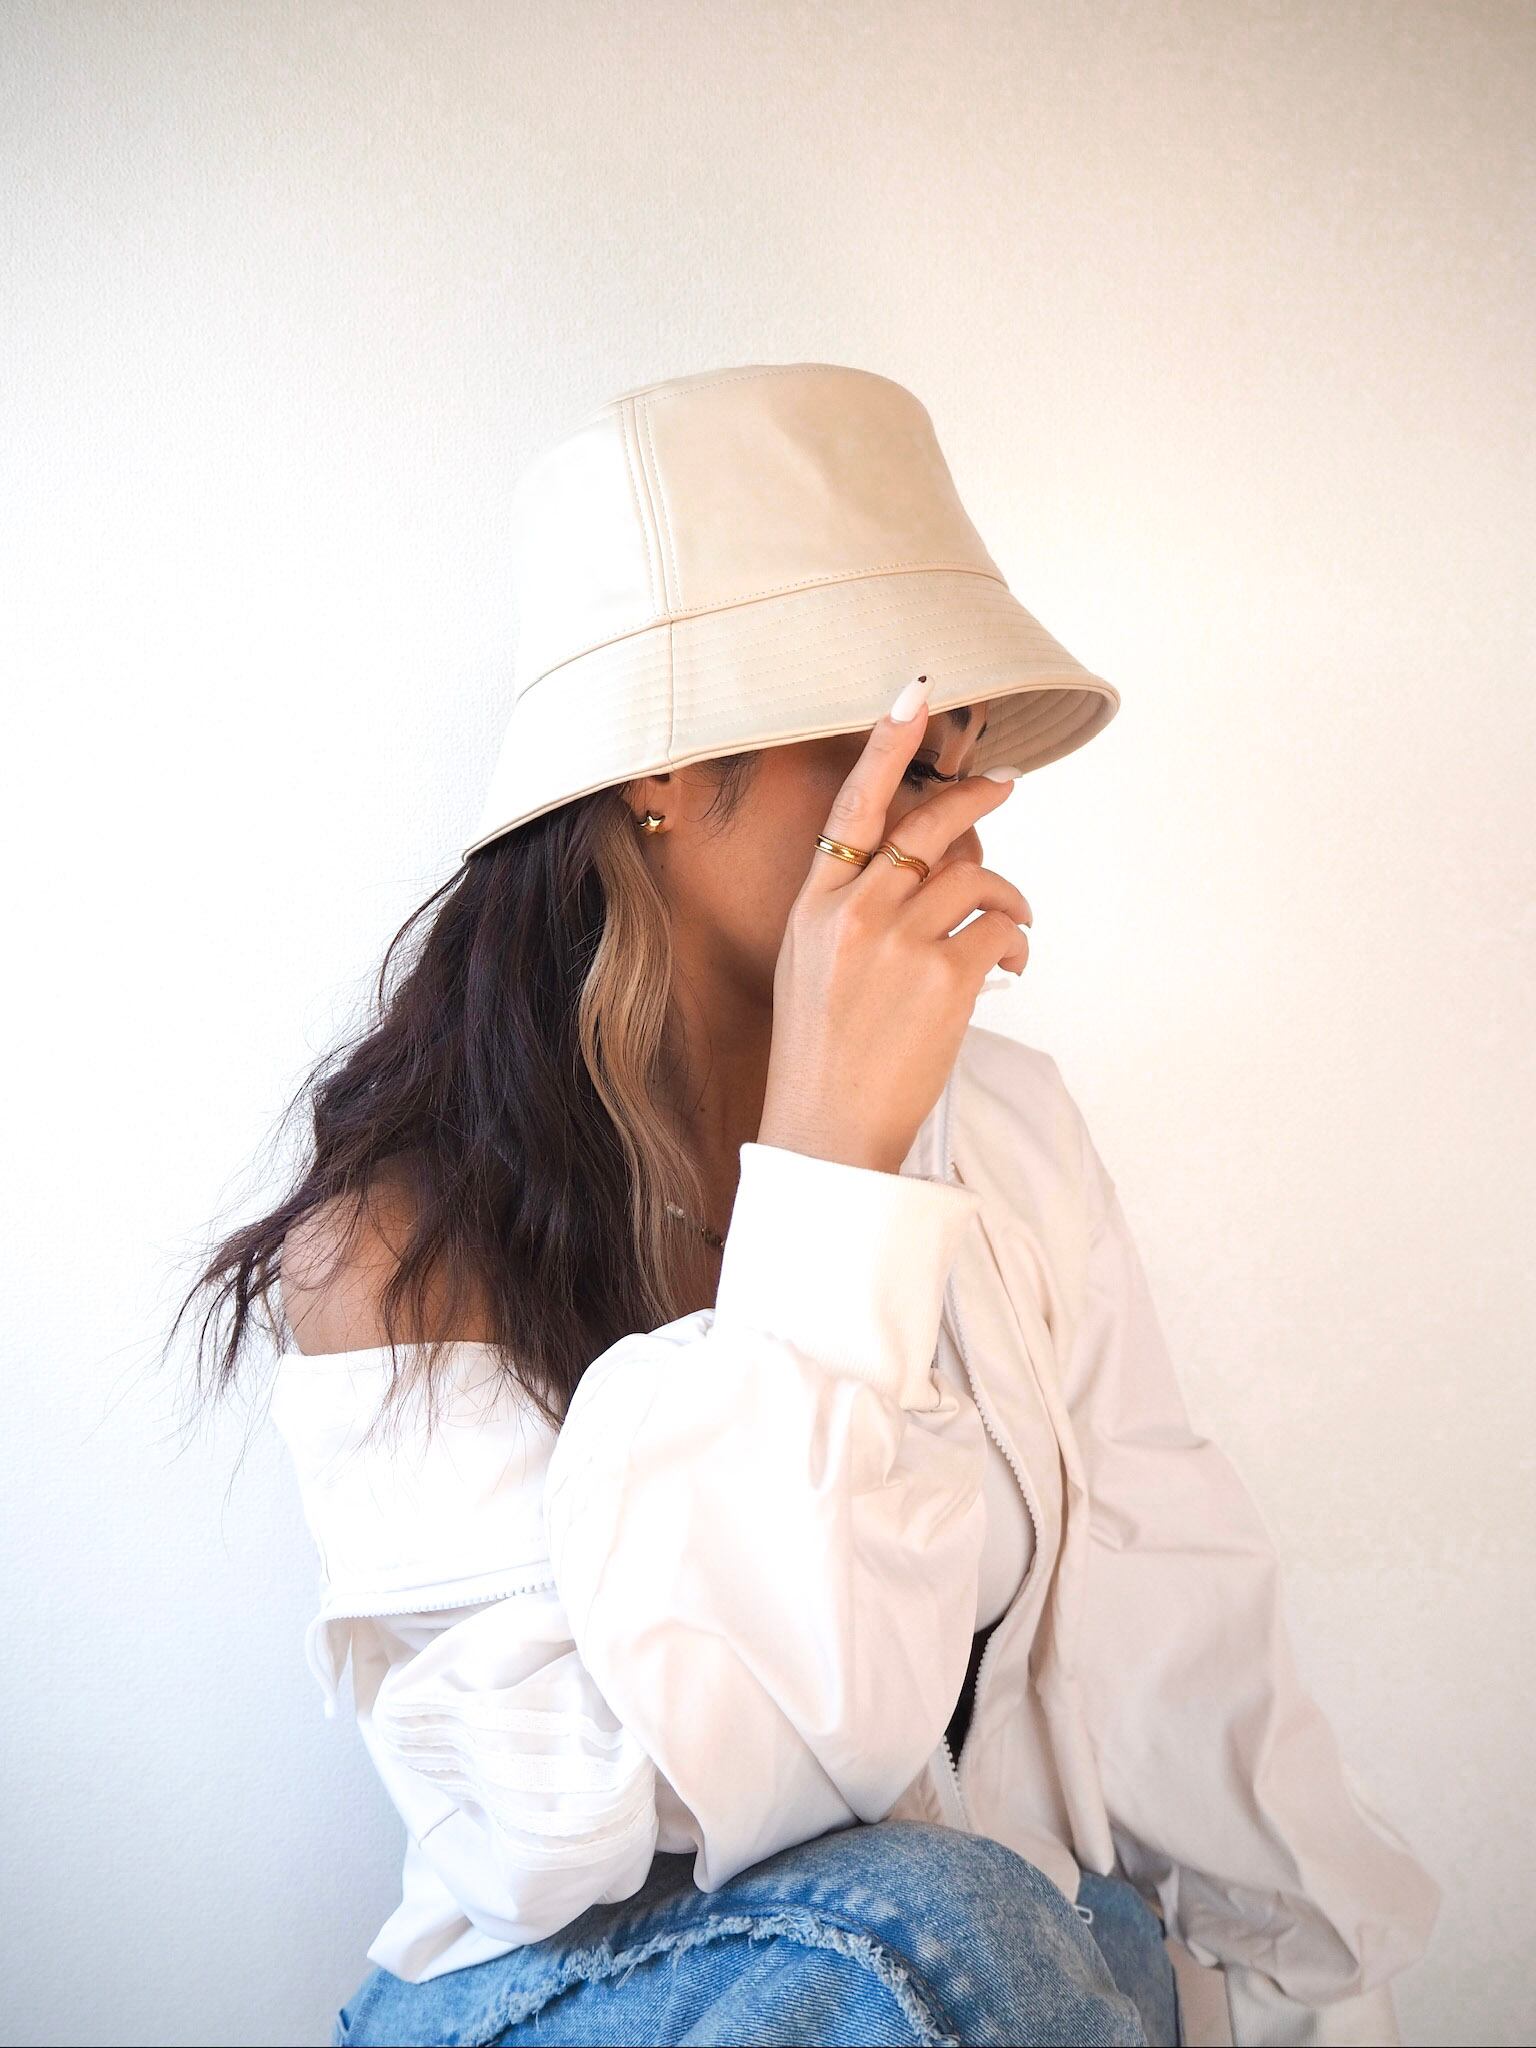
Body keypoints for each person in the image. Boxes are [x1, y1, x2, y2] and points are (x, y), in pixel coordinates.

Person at [174, 364, 1439, 2046]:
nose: (946, 786)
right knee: (956, 1918)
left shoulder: (1008, 1136)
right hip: (574, 1994)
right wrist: (829, 1193)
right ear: (655, 770)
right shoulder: (400, 1242)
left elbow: (1176, 1640)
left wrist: (1325, 2003)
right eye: (887, 724)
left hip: (981, 1985)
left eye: (959, 730)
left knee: (1094, 1936)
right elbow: (590, 1835)